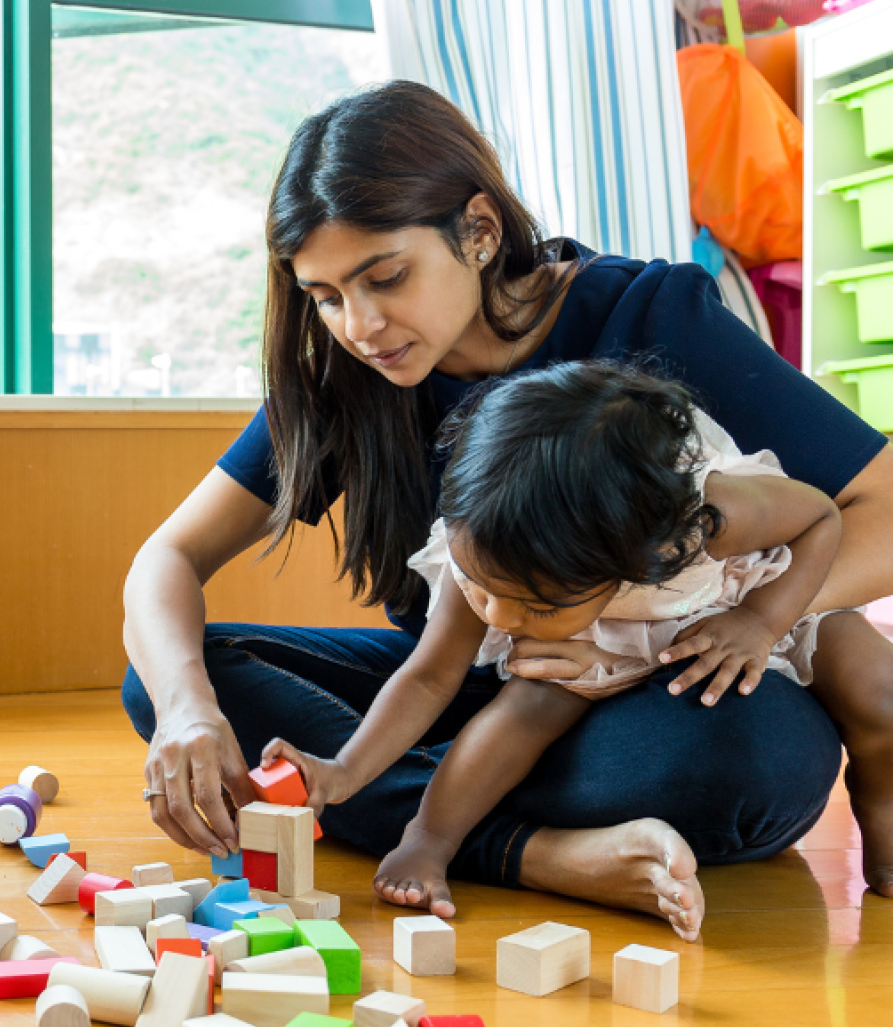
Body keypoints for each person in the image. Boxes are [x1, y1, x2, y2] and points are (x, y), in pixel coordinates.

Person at [120, 81, 893, 938]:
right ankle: (535, 852)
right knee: (181, 682)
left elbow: (875, 511)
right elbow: (169, 561)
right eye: (325, 296)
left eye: (386, 277)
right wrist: (191, 711)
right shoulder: (344, 376)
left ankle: (435, 820)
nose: (360, 325)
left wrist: (704, 621)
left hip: (645, 684)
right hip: (458, 684)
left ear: (480, 231)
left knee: (748, 758)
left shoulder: (646, 315)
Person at [265, 361, 893, 940]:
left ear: (634, 561)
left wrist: (759, 621)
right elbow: (429, 678)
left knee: (880, 693)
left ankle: (882, 798)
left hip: (752, 604)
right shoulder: (481, 548)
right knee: (521, 712)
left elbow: (821, 519)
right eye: (484, 590)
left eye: (537, 605)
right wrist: (344, 771)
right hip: (598, 648)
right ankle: (431, 833)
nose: (502, 619)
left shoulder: (711, 516)